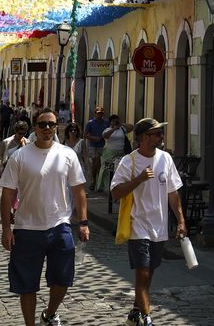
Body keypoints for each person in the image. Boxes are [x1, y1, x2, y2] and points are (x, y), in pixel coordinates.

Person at [0, 108, 89, 326]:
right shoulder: (20, 156)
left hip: (60, 226)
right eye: (42, 124)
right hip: (26, 228)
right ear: (34, 128)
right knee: (27, 284)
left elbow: (78, 191)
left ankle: (50, 312)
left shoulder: (68, 154)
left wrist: (84, 222)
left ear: (57, 126)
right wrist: (6, 229)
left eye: (51, 124)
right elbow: (7, 194)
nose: (47, 128)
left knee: (63, 279)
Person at [109, 118, 185, 326]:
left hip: (159, 226)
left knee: (149, 272)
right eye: (156, 133)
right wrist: (139, 179)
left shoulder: (165, 159)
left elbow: (172, 192)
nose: (161, 137)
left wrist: (180, 221)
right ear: (143, 137)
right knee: (142, 271)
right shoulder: (129, 161)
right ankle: (146, 316)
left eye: (161, 133)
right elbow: (115, 193)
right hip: (137, 224)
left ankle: (135, 310)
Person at [98, 114, 129, 193]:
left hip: (120, 153)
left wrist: (121, 124)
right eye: (113, 121)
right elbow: (105, 136)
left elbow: (131, 127)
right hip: (109, 153)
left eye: (116, 121)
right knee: (108, 170)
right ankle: (106, 187)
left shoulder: (122, 129)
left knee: (118, 170)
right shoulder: (107, 130)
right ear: (110, 122)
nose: (114, 122)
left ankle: (116, 186)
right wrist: (114, 128)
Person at [85, 107, 109, 188]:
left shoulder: (106, 123)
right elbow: (85, 135)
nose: (99, 115)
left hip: (104, 145)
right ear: (95, 113)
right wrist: (94, 138)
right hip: (93, 145)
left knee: (101, 164)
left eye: (101, 113)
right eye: (98, 113)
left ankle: (99, 182)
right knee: (95, 164)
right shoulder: (90, 123)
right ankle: (93, 180)